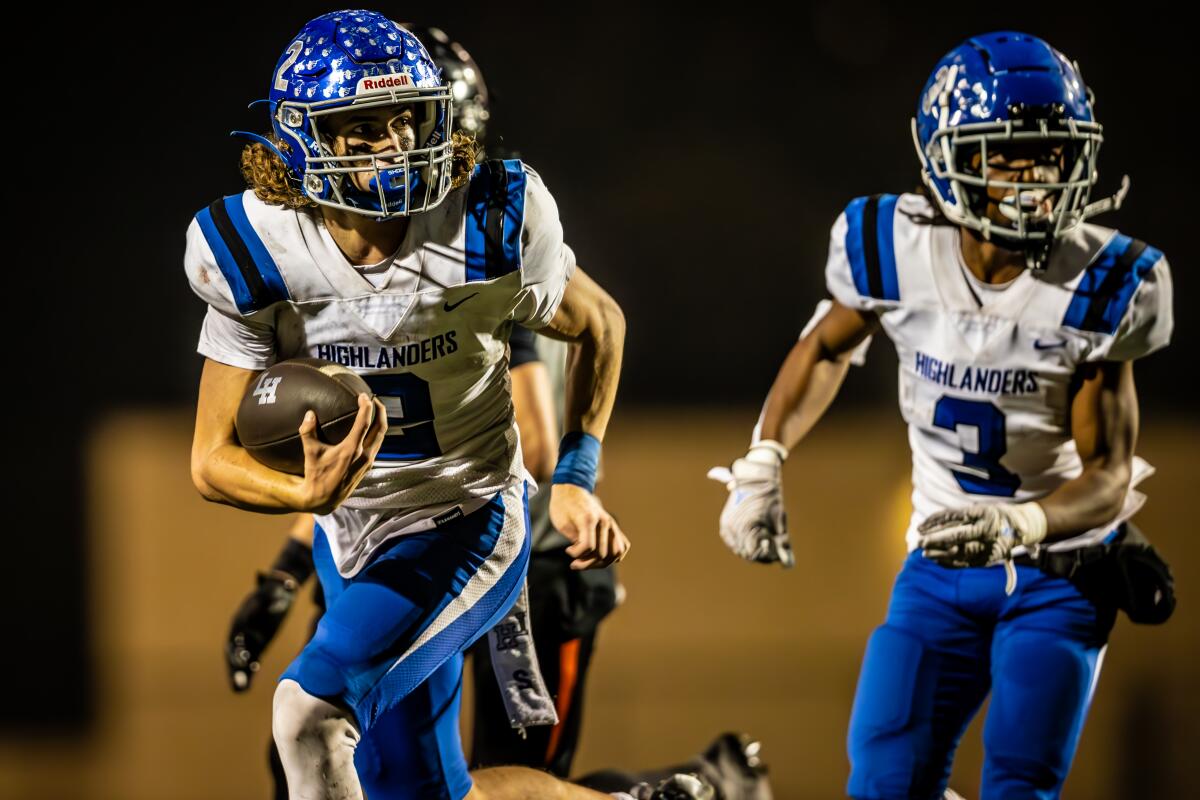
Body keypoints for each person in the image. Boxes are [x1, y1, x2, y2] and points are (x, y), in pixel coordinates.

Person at [220, 24, 770, 800]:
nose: (392, 157)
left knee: (381, 742)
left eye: (406, 126)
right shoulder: (317, 265)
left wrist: (577, 479)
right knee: (420, 784)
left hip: (526, 552)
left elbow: (537, 435)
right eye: (363, 133)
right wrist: (288, 565)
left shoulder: (478, 255)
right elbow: (362, 443)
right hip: (404, 539)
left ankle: (687, 787)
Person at [710, 31, 1173, 800]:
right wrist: (764, 458)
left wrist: (1024, 526)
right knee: (885, 778)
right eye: (1010, 156)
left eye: (1052, 155)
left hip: (1060, 571)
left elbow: (1108, 474)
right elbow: (826, 348)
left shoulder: (1099, 281)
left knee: (1019, 782)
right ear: (948, 158)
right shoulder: (893, 248)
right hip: (940, 563)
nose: (1037, 179)